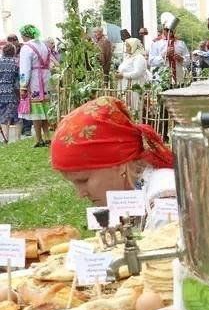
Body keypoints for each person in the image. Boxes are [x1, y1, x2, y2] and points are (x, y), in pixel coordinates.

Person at [50, 96, 177, 229]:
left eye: (83, 180)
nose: (81, 194)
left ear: (119, 164)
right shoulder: (130, 188)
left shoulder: (165, 206)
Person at [17, 25, 53, 147]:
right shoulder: (44, 46)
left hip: (34, 81)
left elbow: (25, 68)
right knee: (45, 110)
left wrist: (23, 85)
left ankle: (38, 139)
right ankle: (47, 136)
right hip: (46, 80)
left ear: (25, 35)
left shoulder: (27, 48)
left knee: (36, 111)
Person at [0, 41, 18, 143]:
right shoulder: (16, 62)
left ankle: (5, 138)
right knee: (15, 115)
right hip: (12, 91)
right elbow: (18, 79)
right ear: (14, 52)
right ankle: (17, 138)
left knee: (2, 114)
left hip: (1, 91)